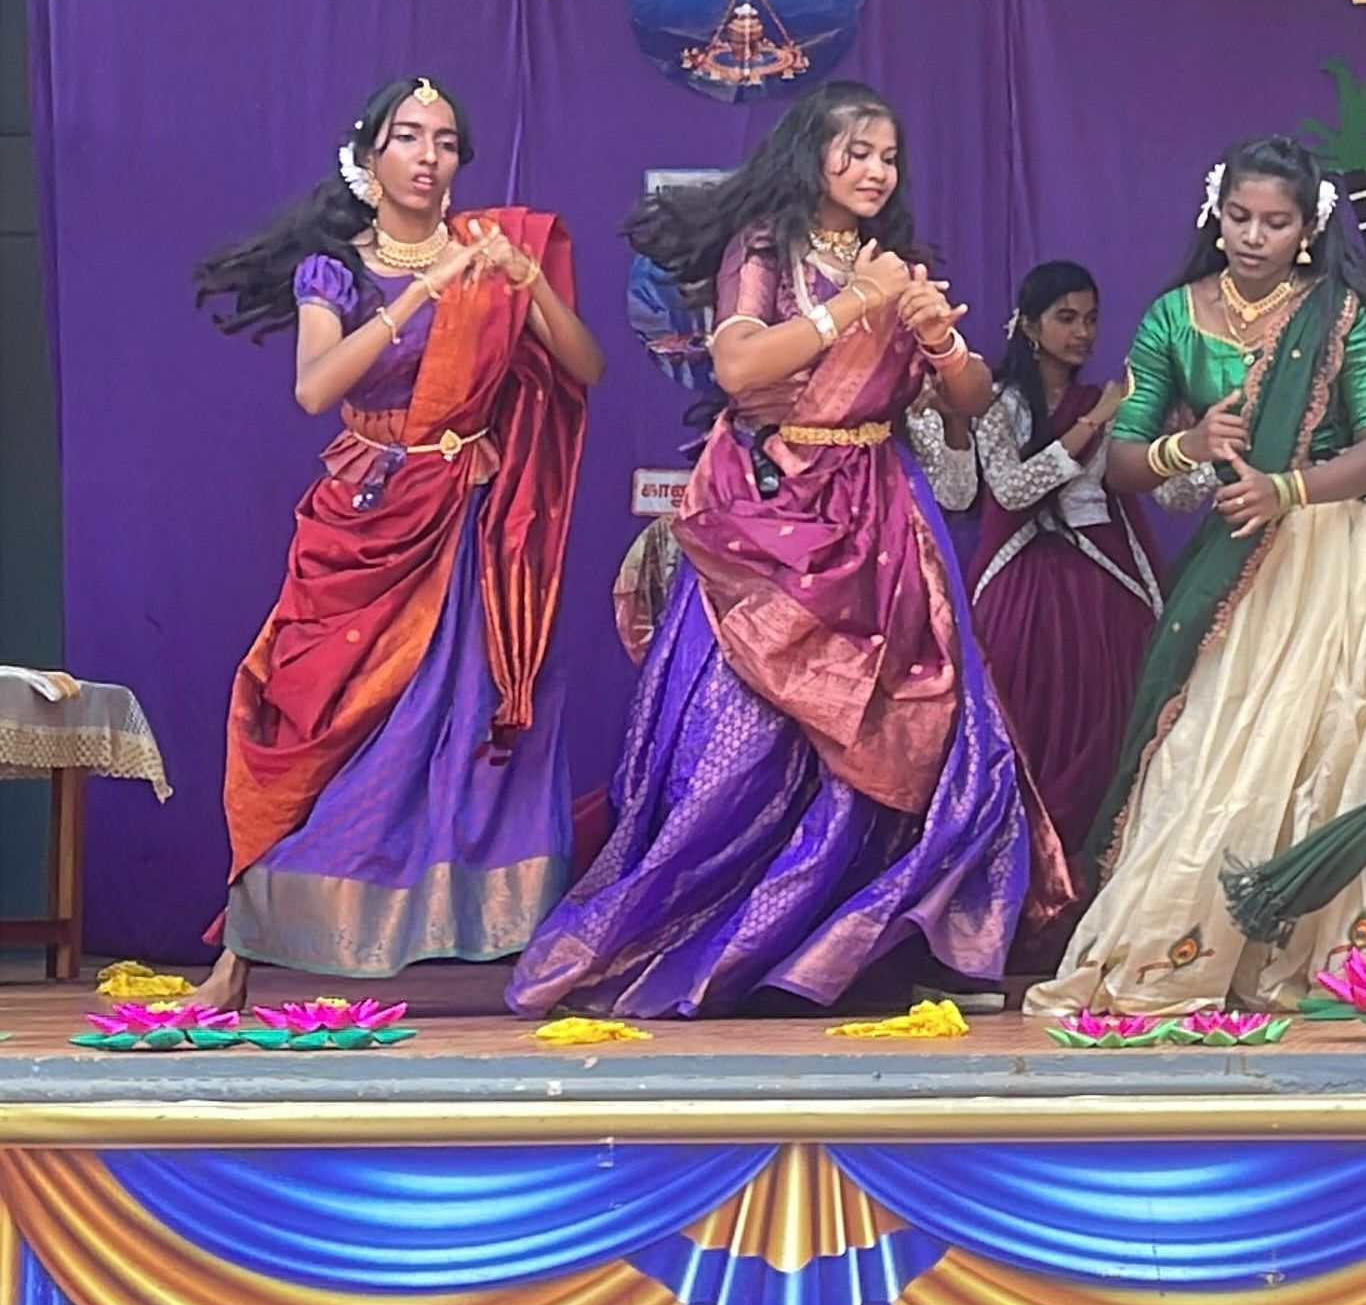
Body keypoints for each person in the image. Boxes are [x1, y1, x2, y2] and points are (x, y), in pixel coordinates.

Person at [507, 81, 1055, 1018]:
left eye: (889, 157)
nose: (876, 171)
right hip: (768, 512)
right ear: (812, 154)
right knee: (741, 746)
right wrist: (857, 305)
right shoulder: (764, 250)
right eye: (858, 152)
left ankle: (851, 952)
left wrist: (939, 341)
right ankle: (722, 942)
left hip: (883, 521)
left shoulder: (896, 264)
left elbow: (970, 404)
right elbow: (738, 366)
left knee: (902, 732)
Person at [1030, 138, 1366, 1016]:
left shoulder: (1343, 314)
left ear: (1308, 229)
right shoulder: (1173, 318)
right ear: (1217, 214)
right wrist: (1189, 445)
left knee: (1355, 750)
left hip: (1355, 556)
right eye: (1239, 217)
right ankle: (1191, 955)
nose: (1253, 236)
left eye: (1275, 222)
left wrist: (1287, 488)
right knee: (1216, 752)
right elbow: (1124, 463)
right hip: (1249, 562)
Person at [188, 78, 601, 1012]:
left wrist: (527, 282)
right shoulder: (335, 269)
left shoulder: (491, 256)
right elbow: (315, 389)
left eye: (445, 141)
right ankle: (245, 948)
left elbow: (587, 368)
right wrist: (419, 291)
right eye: (408, 137)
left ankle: (519, 949)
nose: (428, 156)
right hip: (367, 524)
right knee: (314, 722)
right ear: (367, 157)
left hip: (469, 536)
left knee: (471, 733)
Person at [962, 261, 1162, 845]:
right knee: (1025, 721)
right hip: (1023, 582)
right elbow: (1012, 490)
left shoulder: (1108, 400)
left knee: (1116, 724)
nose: (1083, 333)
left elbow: (1159, 489)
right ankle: (1022, 858)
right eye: (1066, 318)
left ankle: (1100, 862)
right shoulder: (997, 402)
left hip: (1104, 584)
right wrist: (1092, 422)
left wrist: (1189, 445)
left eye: (1092, 319)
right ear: (1029, 325)